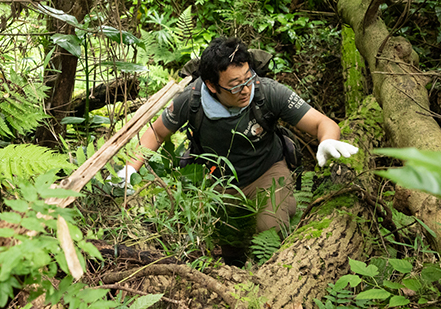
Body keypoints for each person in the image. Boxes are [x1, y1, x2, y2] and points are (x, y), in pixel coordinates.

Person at [117, 36, 358, 264]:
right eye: (235, 85)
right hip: (220, 183)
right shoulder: (192, 100)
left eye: (248, 78)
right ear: (212, 85)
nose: (245, 89)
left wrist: (327, 140)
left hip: (268, 172)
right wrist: (130, 169)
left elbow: (321, 123)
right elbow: (157, 133)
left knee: (270, 229)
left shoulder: (268, 92)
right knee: (232, 251)